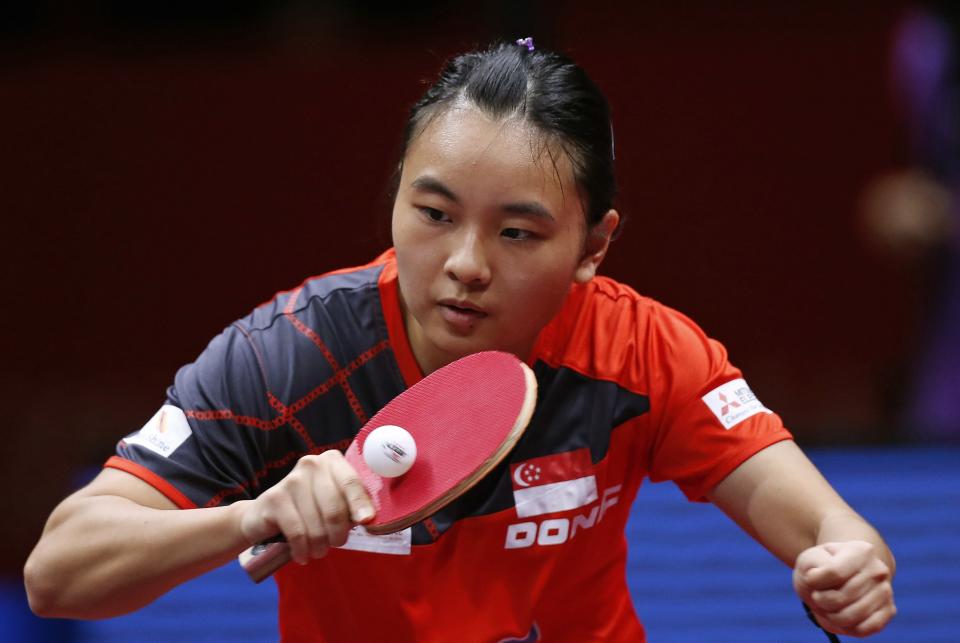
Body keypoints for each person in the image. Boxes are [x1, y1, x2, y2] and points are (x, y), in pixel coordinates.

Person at [24, 39, 896, 641]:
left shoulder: (640, 353)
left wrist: (852, 568)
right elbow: (57, 573)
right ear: (398, 194)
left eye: (517, 233)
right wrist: (251, 516)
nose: (465, 264)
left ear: (594, 245)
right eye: (434, 214)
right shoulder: (289, 358)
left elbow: (835, 529)